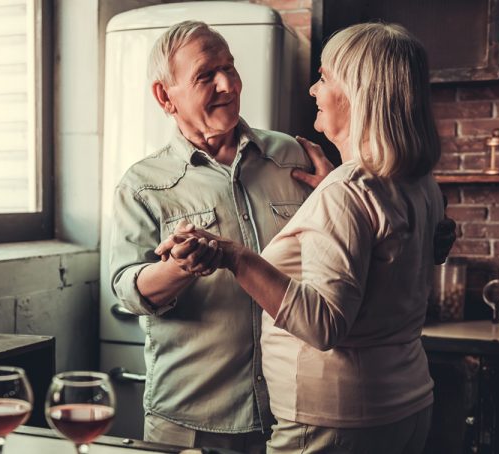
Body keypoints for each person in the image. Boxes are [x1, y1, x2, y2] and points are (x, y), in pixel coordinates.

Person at [156, 22, 444, 453]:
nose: (313, 89)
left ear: (358, 92)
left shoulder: (349, 191)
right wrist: (332, 197)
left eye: (325, 78)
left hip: (336, 421)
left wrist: (235, 257)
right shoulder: (418, 182)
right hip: (405, 405)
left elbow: (323, 326)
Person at [108, 20, 330, 453]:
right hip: (191, 422)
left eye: (230, 68)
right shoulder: (142, 184)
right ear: (164, 96)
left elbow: (337, 254)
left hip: (295, 413)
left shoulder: (292, 157)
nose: (228, 84)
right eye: (206, 75)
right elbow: (126, 291)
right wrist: (177, 268)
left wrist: (340, 197)